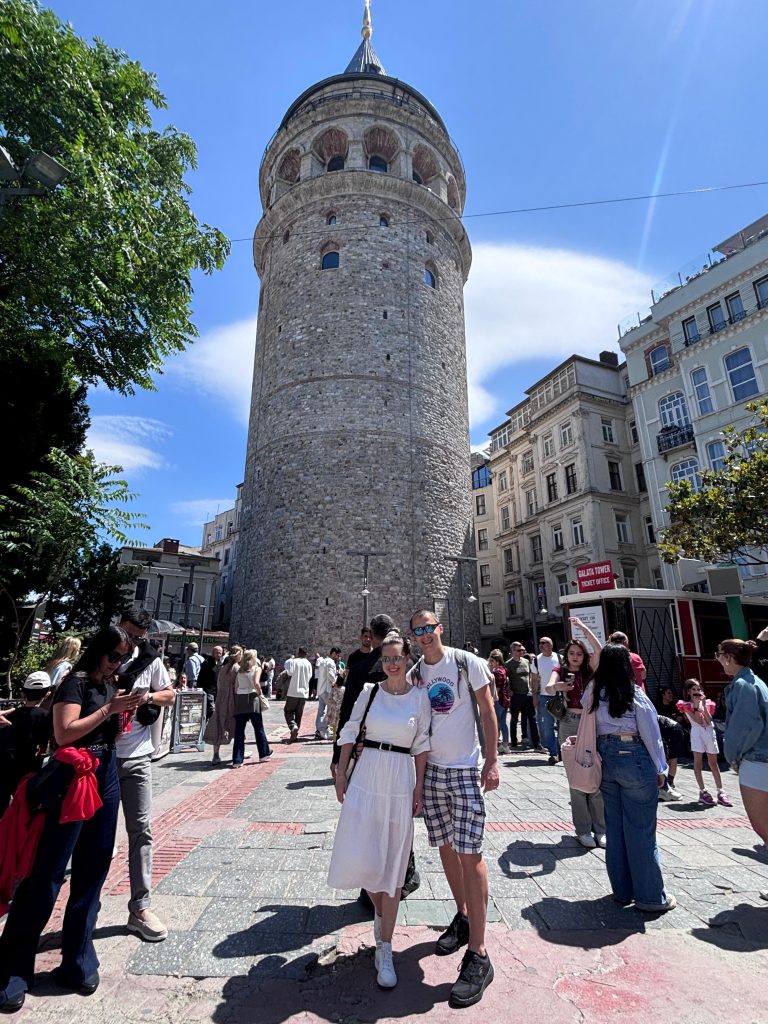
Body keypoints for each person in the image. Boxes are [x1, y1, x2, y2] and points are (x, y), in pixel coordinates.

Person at [0, 626, 142, 1012]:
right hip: (72, 776)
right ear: (98, 651)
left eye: (123, 658)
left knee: (93, 868)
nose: (117, 664)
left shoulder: (110, 684)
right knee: (47, 871)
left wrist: (124, 711)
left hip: (105, 772)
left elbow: (110, 732)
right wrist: (109, 710)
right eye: (114, 656)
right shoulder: (75, 683)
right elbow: (64, 733)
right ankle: (12, 968)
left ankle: (78, 959)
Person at [329, 629, 430, 989]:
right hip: (367, 774)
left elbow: (422, 745)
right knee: (361, 854)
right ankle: (381, 913)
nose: (391, 664)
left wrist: (419, 787)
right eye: (386, 658)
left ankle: (384, 946)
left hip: (400, 779)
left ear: (407, 658)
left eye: (397, 658)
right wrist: (341, 773)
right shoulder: (370, 692)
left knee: (394, 862)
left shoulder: (419, 698)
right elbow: (349, 731)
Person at [407, 610, 498, 1009]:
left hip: (464, 770)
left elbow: (488, 710)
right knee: (445, 847)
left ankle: (479, 952)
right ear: (413, 637)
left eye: (429, 628)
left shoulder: (466, 662)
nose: (425, 635)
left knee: (470, 854)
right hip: (433, 773)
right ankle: (463, 917)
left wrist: (492, 761)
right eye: (418, 631)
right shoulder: (415, 674)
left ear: (439, 628)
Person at [589, 642, 674, 913]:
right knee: (640, 828)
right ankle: (650, 896)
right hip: (633, 753)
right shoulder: (634, 692)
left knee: (614, 828)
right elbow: (651, 733)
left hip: (605, 758)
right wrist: (660, 768)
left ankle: (622, 891)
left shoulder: (594, 692)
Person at [116, 608, 176, 942]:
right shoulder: (101, 661)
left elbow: (169, 694)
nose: (133, 642)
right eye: (129, 635)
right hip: (100, 757)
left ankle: (140, 907)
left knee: (141, 831)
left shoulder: (148, 660)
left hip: (136, 756)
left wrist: (147, 696)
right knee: (89, 835)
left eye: (139, 637)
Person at [545, 621, 605, 848]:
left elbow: (599, 649)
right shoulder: (560, 671)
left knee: (596, 774)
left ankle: (601, 829)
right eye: (572, 653)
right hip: (569, 722)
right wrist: (557, 687)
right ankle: (583, 830)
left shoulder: (590, 670)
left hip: (590, 721)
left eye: (579, 653)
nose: (576, 657)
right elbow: (548, 687)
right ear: (566, 655)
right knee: (576, 778)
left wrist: (583, 628)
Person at [719, 639, 768, 853]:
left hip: (756, 760)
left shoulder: (742, 685)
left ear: (728, 658)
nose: (718, 659)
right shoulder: (756, 681)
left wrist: (732, 756)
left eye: (719, 655)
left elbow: (745, 726)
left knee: (762, 826)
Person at [331, 615, 393, 775]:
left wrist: (337, 756)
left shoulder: (359, 669)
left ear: (371, 634)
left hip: (367, 745)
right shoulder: (411, 664)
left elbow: (347, 714)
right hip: (402, 749)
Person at [0, 671, 53, 818]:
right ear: (47, 694)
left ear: (23, 694)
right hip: (28, 769)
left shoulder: (7, 715)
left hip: (5, 768)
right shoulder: (46, 717)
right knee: (24, 811)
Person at [677, 678, 732, 807]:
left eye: (699, 689)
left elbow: (708, 720)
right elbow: (697, 721)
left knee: (713, 762)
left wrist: (703, 706)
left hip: (709, 732)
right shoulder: (686, 705)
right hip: (697, 733)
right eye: (694, 689)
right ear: (689, 692)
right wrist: (696, 706)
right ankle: (703, 791)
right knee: (698, 762)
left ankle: (721, 791)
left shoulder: (707, 703)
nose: (697, 691)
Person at [231, 648, 272, 768]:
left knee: (239, 731)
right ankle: (264, 754)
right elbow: (256, 682)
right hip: (253, 698)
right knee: (258, 728)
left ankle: (237, 760)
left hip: (241, 699)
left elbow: (236, 687)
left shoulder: (240, 670)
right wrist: (261, 694)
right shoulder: (257, 668)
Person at [204, 645, 241, 765]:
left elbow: (219, 684)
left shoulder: (222, 668)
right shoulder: (237, 669)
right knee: (237, 727)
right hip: (233, 701)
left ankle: (215, 755)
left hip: (220, 700)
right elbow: (237, 687)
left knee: (219, 726)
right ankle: (238, 753)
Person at [531, 637, 561, 764]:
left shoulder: (559, 658)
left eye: (545, 643)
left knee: (562, 725)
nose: (542, 645)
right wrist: (534, 697)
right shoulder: (536, 660)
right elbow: (534, 680)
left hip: (559, 696)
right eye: (540, 643)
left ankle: (561, 751)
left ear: (551, 645)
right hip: (544, 696)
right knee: (547, 726)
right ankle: (553, 753)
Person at [655, 686, 686, 802]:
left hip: (674, 732)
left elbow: (681, 719)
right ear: (663, 695)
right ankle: (664, 784)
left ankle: (669, 783)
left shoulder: (674, 706)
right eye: (668, 693)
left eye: (671, 693)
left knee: (672, 757)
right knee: (663, 758)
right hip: (662, 734)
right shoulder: (656, 706)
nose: (671, 695)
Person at [283, 647, 312, 741]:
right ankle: (295, 733)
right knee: (299, 714)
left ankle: (293, 726)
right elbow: (310, 676)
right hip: (304, 693)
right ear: (306, 654)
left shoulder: (294, 661)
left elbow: (289, 672)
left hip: (293, 691)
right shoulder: (308, 663)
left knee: (288, 711)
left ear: (298, 652)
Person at [314, 648, 340, 740]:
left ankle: (319, 730)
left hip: (321, 689)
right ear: (333, 653)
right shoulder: (330, 662)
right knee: (331, 710)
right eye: (337, 655)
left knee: (321, 710)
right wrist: (336, 683)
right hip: (327, 690)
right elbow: (331, 675)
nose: (338, 658)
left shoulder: (322, 661)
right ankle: (323, 729)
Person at [487, 650, 510, 754]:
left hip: (498, 700)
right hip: (505, 700)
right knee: (503, 723)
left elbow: (497, 689)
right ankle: (505, 744)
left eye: (492, 661)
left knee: (495, 723)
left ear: (497, 661)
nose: (490, 663)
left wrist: (490, 699)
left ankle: (495, 745)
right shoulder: (503, 670)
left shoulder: (497, 672)